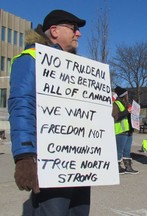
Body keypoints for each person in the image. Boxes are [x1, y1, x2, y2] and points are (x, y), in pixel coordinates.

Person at [8, 10, 90, 215]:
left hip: (81, 160)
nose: (78, 34)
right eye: (74, 28)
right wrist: (24, 156)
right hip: (51, 160)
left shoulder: (76, 68)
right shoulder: (31, 59)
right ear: (54, 31)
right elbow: (22, 105)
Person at [112, 86, 139, 175]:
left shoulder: (128, 104)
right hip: (121, 131)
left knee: (127, 150)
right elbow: (116, 116)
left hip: (129, 131)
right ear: (123, 95)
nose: (128, 95)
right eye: (126, 94)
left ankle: (128, 166)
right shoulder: (116, 104)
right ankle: (117, 167)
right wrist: (127, 111)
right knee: (119, 150)